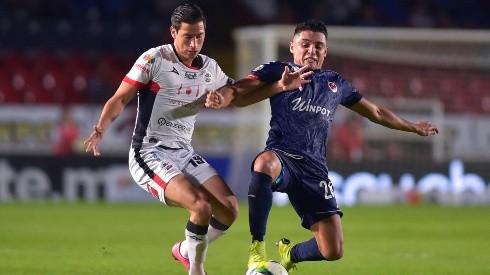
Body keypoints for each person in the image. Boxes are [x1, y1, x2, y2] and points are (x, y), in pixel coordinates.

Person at [205, 19, 439, 272]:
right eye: (305, 44)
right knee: (263, 163)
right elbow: (239, 89)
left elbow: (377, 112)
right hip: (282, 157)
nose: (311, 51)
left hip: (314, 170)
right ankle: (256, 250)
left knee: (333, 250)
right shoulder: (277, 70)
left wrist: (413, 127)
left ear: (325, 51)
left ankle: (289, 253)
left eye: (318, 46)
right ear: (293, 46)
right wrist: (222, 97)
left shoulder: (336, 83)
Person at [84, 4, 243, 275]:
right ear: (173, 32)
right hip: (149, 153)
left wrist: (228, 96)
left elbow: (235, 90)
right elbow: (121, 97)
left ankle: (183, 250)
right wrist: (100, 128)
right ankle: (196, 268)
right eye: (188, 37)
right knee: (201, 206)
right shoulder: (155, 59)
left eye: (200, 37)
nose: (194, 44)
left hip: (183, 152)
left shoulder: (210, 68)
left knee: (229, 209)